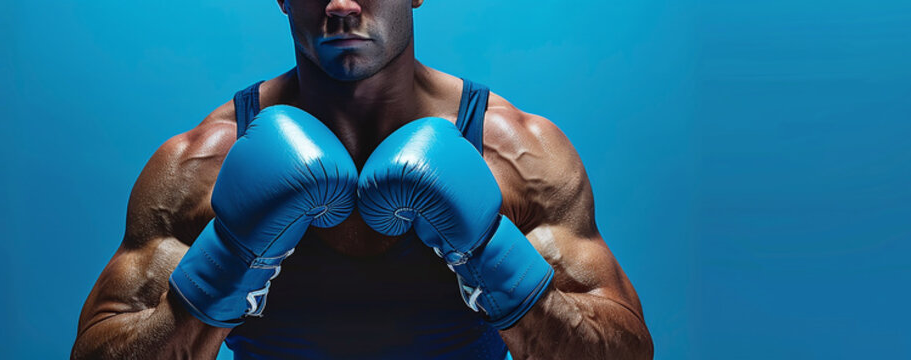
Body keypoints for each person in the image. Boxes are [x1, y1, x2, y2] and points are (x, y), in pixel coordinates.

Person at [71, 1, 652, 358]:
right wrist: (227, 258)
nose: (342, 4)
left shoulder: (517, 157)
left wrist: (489, 251)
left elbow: (625, 352)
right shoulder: (201, 167)